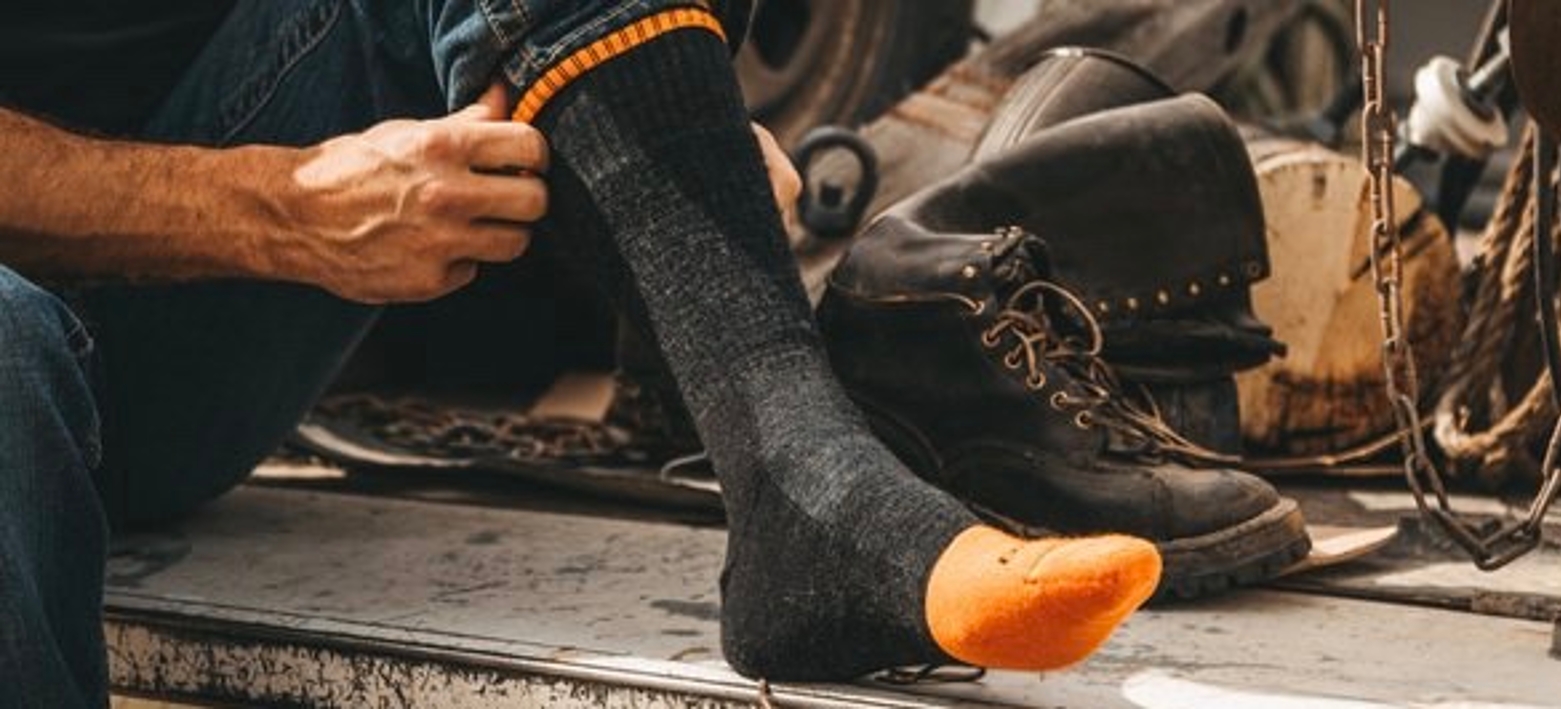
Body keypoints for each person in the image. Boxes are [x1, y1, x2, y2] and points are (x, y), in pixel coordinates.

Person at [0, 1, 1167, 705]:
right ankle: (818, 496)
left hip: (187, 328)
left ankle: (802, 482)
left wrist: (656, 127)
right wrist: (283, 204)